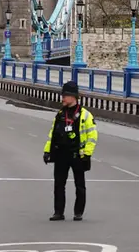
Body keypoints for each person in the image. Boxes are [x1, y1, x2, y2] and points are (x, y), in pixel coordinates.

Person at [43, 80, 98, 221]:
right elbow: (52, 134)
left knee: (80, 185)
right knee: (59, 184)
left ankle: (78, 212)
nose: (62, 98)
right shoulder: (60, 114)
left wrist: (87, 153)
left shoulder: (85, 115)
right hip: (61, 153)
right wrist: (47, 151)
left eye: (64, 95)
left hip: (78, 154)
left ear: (73, 97)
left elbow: (92, 136)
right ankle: (58, 212)